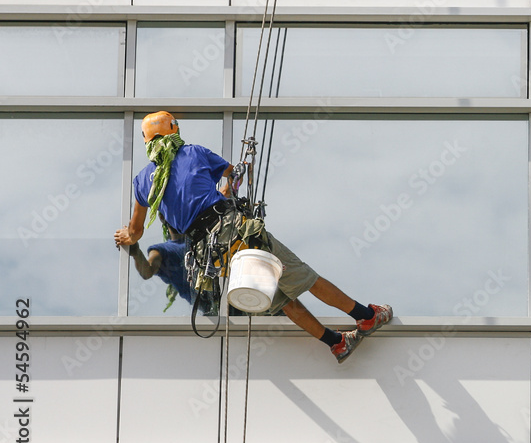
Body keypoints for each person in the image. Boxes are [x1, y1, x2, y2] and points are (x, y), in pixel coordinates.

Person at [113, 111, 392, 363]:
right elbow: (231, 174)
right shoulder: (194, 153)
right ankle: (366, 318)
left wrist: (127, 236)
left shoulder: (142, 181)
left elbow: (136, 231)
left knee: (283, 300)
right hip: (234, 230)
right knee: (303, 277)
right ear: (174, 131)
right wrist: (225, 189)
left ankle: (337, 343)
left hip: (211, 253)